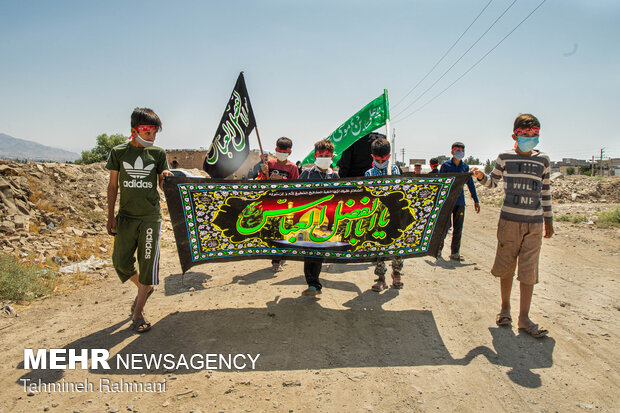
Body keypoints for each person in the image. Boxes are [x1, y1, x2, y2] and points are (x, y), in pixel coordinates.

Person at [471, 113, 553, 338]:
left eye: (533, 134)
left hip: (534, 224)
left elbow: (545, 192)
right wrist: (480, 176)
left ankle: (524, 318)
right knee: (507, 266)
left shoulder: (543, 160)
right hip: (509, 221)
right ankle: (505, 309)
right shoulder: (504, 157)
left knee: (529, 270)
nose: (529, 137)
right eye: (524, 134)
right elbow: (493, 182)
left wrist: (549, 221)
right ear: (515, 135)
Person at [106, 107, 173, 333]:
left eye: (155, 134)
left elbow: (162, 186)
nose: (152, 138)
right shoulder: (118, 152)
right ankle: (145, 288)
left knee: (147, 264)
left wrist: (166, 179)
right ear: (134, 130)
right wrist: (110, 216)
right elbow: (113, 185)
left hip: (150, 218)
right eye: (148, 134)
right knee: (121, 262)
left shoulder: (157, 154)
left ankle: (138, 313)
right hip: (125, 217)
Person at [299, 139, 340, 296]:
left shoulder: (335, 176)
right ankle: (313, 283)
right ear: (315, 156)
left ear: (332, 157)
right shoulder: (306, 174)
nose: (324, 157)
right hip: (308, 221)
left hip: (325, 223)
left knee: (319, 253)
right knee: (308, 252)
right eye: (321, 155)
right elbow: (297, 195)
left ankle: (314, 283)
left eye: (327, 155)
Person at [365, 138, 404, 290]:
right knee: (378, 247)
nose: (381, 162)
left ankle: (397, 273)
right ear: (373, 157)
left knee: (397, 245)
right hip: (377, 216)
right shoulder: (369, 173)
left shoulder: (395, 170)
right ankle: (381, 277)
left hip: (395, 214)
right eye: (377, 159)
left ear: (388, 157)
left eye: (384, 159)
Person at [258, 137, 300, 272]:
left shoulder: (293, 167)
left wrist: (282, 179)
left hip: (286, 204)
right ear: (276, 150)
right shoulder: (269, 164)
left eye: (284, 152)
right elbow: (262, 182)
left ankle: (280, 258)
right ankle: (277, 259)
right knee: (272, 232)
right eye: (279, 151)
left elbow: (296, 186)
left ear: (290, 152)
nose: (281, 154)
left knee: (283, 231)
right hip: (271, 203)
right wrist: (264, 173)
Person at [436, 141, 480, 260]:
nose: (460, 152)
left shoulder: (465, 167)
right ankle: (438, 249)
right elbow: (440, 184)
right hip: (446, 202)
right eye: (457, 150)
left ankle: (455, 252)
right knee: (444, 226)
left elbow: (470, 184)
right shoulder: (446, 166)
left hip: (460, 202)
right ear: (452, 151)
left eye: (462, 150)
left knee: (458, 227)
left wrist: (476, 200)